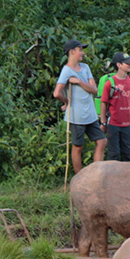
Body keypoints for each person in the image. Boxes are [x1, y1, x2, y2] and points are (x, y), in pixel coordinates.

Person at [53, 39, 105, 173]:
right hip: (76, 116)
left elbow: (94, 90)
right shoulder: (66, 71)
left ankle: (96, 174)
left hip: (91, 114)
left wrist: (78, 81)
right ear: (72, 52)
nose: (82, 53)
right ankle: (79, 177)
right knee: (78, 147)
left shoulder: (85, 68)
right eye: (80, 50)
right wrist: (67, 102)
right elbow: (56, 93)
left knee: (102, 141)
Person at [101, 51, 130, 161]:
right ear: (119, 65)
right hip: (113, 124)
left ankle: (127, 177)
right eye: (127, 63)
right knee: (113, 153)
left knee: (127, 153)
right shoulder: (110, 83)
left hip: (128, 123)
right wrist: (103, 122)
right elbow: (103, 103)